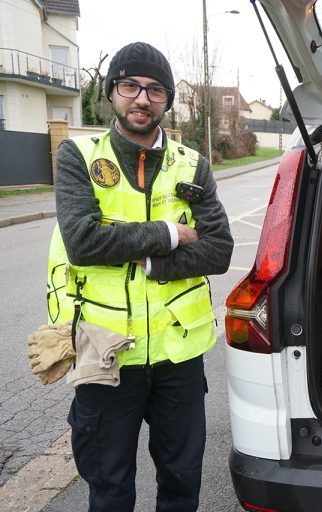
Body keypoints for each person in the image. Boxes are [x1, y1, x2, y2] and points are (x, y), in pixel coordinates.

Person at [50, 41, 233, 511]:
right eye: (130, 86)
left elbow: (220, 250)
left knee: (182, 484)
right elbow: (83, 243)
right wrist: (172, 233)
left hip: (178, 357)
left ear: (167, 99)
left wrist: (150, 261)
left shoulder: (192, 165)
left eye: (155, 90)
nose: (142, 99)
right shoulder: (78, 156)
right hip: (107, 355)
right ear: (112, 91)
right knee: (109, 489)